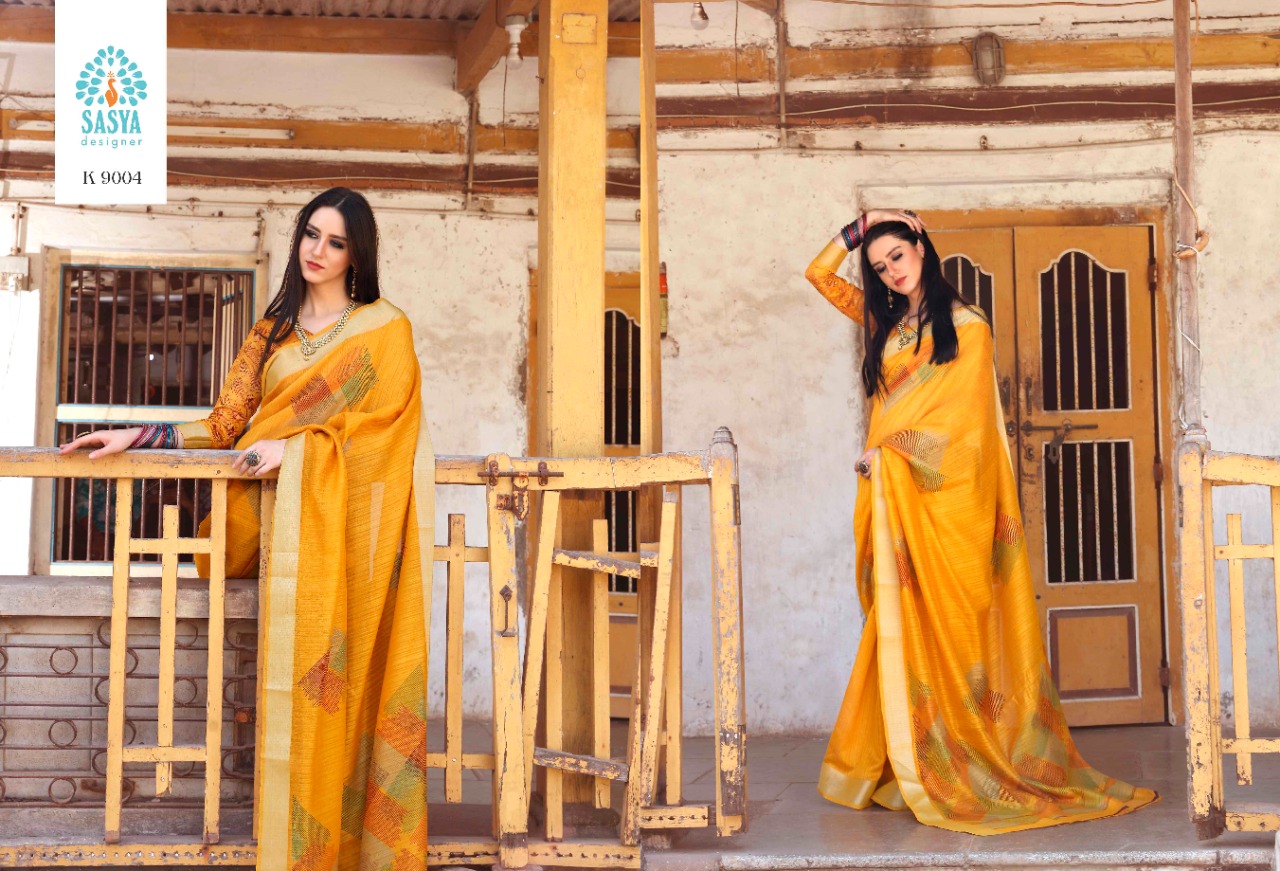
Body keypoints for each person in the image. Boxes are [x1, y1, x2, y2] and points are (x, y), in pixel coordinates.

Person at [62, 187, 435, 868]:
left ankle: (354, 848)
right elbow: (224, 425)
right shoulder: (272, 332)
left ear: (357, 254)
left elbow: (388, 433)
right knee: (287, 699)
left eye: (336, 242)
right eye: (311, 234)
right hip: (273, 535)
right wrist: (138, 434)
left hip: (346, 537)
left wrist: (300, 451)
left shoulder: (385, 329)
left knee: (352, 686)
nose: (318, 251)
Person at [804, 209, 1157, 834]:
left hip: (952, 501)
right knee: (902, 625)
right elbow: (819, 274)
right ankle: (920, 759)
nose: (891, 272)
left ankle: (975, 757)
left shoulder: (967, 327)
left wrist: (893, 449)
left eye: (897, 255)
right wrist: (864, 225)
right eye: (879, 267)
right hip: (901, 498)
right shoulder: (888, 324)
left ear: (921, 247)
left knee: (959, 627)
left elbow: (961, 427)